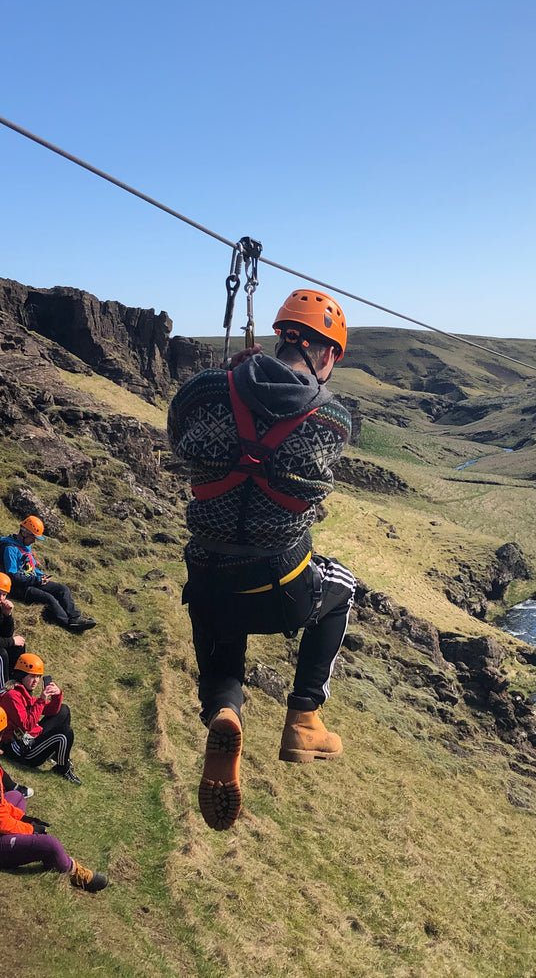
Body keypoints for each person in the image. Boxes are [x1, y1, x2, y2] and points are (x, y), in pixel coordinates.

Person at [167, 288, 359, 831]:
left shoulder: (202, 390)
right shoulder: (335, 420)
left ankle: (225, 711)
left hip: (208, 576)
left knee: (222, 647)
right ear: (327, 356)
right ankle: (303, 717)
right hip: (283, 585)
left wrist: (225, 379)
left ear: (280, 336)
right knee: (342, 587)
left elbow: (178, 438)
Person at [0, 703, 107, 892]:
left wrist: (22, 818)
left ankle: (18, 839)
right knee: (49, 845)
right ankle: (75, 871)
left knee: (16, 797)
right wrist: (30, 829)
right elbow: (1, 821)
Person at [0, 653, 82, 785]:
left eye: (38, 677)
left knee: (63, 710)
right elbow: (27, 725)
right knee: (65, 733)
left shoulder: (23, 693)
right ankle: (62, 768)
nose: (36, 680)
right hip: (20, 749)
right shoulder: (13, 696)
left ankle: (59, 757)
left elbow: (52, 710)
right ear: (21, 675)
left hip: (28, 739)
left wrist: (57, 695)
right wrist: (41, 699)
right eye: (32, 676)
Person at [0, 516, 95, 632]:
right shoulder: (10, 549)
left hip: (32, 580)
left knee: (62, 589)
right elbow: (13, 577)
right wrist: (37, 580)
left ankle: (76, 618)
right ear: (23, 532)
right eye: (33, 536)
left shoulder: (25, 546)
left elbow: (31, 568)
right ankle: (68, 624)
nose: (34, 540)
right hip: (18, 587)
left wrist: (41, 576)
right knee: (48, 598)